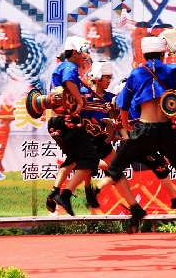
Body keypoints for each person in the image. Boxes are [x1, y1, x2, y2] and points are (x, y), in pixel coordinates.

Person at [105, 36, 176, 235]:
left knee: (115, 168)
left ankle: (135, 209)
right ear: (163, 54)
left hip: (144, 130)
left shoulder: (136, 74)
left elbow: (123, 106)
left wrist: (126, 129)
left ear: (144, 54)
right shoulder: (174, 70)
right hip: (167, 129)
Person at [0, 20, 53, 184]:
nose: (5, 57)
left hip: (37, 90)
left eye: (9, 53)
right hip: (17, 86)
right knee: (1, 121)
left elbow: (41, 76)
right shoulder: (6, 60)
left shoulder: (36, 57)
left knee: (54, 122)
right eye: (1, 53)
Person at [47, 36, 108, 216]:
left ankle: (55, 192)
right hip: (68, 121)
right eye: (83, 54)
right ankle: (65, 195)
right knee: (91, 159)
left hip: (55, 122)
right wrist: (81, 101)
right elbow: (68, 82)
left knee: (74, 159)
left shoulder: (60, 67)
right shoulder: (69, 67)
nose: (84, 57)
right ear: (74, 53)